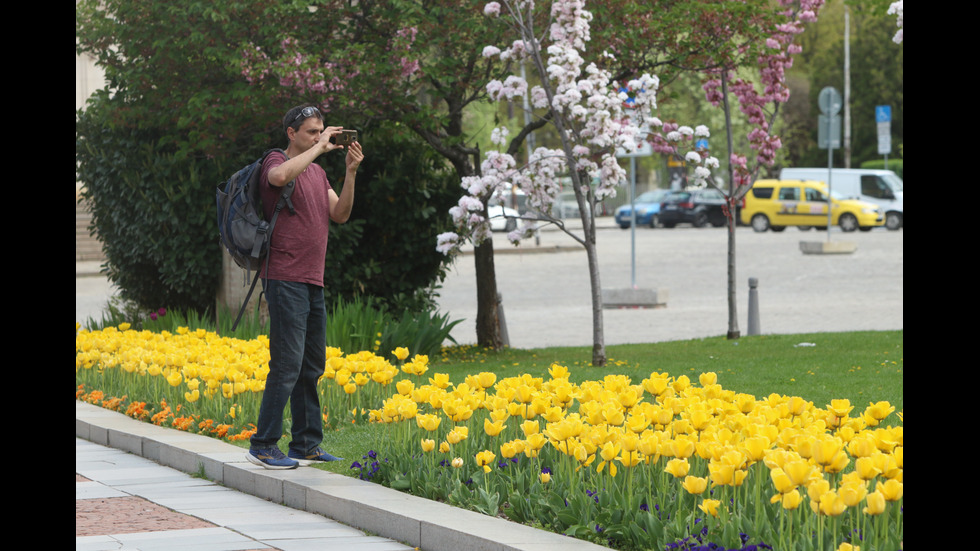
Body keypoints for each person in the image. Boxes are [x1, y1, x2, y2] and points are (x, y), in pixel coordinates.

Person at [246, 104, 365, 470]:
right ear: (292, 133)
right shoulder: (276, 159)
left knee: (312, 364)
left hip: (313, 280)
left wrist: (350, 172)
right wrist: (320, 147)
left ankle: (306, 444)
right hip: (284, 277)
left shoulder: (316, 172)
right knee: (286, 363)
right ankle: (264, 444)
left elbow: (340, 214)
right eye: (312, 131)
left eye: (321, 131)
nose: (319, 136)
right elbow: (279, 177)